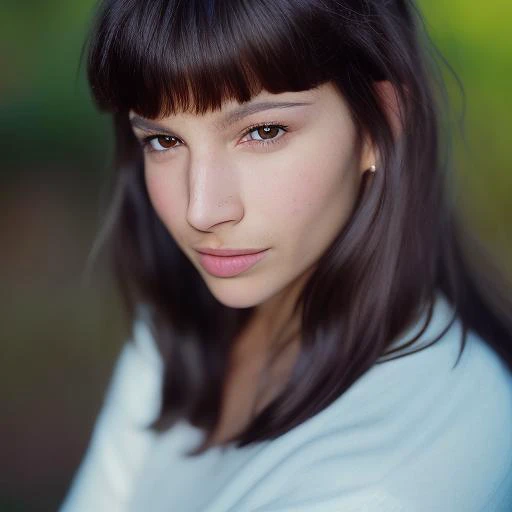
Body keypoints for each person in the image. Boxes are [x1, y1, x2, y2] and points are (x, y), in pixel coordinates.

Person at [60, 0, 512, 510]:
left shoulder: (401, 474)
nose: (202, 210)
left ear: (379, 122)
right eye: (164, 140)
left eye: (262, 131)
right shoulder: (179, 328)